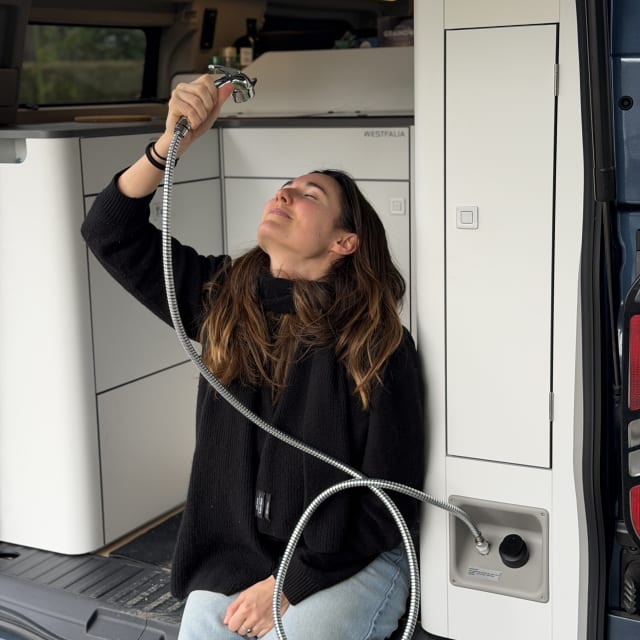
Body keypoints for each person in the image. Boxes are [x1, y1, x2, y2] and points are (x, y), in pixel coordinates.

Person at [81, 75, 425, 640]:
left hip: (349, 559)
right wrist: (170, 145)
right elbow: (107, 230)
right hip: (237, 558)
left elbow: (388, 500)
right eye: (283, 187)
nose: (283, 194)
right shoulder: (221, 299)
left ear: (344, 242)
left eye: (309, 194)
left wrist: (291, 584)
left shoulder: (377, 343)